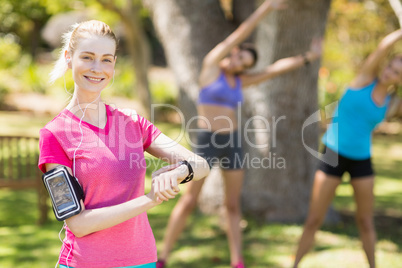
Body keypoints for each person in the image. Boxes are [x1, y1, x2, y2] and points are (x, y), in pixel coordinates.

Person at [156, 1, 323, 267]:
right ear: (233, 52)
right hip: (207, 141)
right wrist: (266, 9)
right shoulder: (211, 66)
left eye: (244, 63)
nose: (238, 62)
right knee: (189, 200)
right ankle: (162, 257)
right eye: (239, 55)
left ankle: (237, 261)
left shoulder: (240, 80)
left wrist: (308, 57)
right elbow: (240, 33)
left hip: (233, 142)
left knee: (233, 205)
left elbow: (274, 69)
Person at [38, 20, 210, 268]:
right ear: (68, 57)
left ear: (114, 65)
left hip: (142, 260)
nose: (97, 68)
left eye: (107, 59)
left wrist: (177, 173)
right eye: (87, 57)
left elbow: (201, 164)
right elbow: (78, 224)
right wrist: (151, 198)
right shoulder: (54, 134)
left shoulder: (132, 123)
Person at [293, 29, 402, 268]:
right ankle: (294, 265)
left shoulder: (392, 104)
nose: (388, 72)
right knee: (313, 219)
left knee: (365, 221)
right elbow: (383, 46)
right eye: (390, 66)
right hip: (332, 152)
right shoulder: (364, 79)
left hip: (362, 158)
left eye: (396, 72)